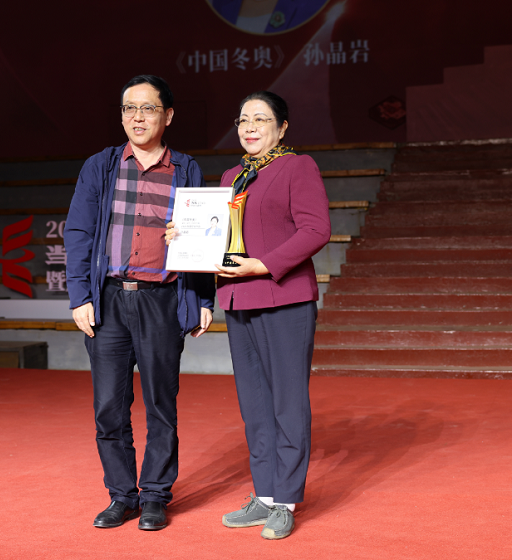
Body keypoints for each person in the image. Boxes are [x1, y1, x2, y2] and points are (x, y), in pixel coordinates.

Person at [169, 91, 330, 539]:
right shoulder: (232, 176)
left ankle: (287, 500)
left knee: (287, 402)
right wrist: (182, 236)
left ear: (282, 126)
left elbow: (316, 229)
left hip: (284, 297)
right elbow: (218, 237)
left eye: (260, 118)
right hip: (239, 298)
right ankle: (265, 493)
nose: (250, 127)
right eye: (243, 119)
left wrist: (263, 264)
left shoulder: (298, 166)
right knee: (254, 404)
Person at [64, 75, 215, 532]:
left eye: (148, 108)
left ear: (168, 115)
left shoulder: (186, 169)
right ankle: (121, 495)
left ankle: (154, 496)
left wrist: (203, 297)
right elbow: (79, 232)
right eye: (129, 108)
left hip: (161, 300)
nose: (137, 117)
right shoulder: (102, 165)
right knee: (109, 407)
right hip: (109, 300)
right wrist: (80, 296)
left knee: (161, 406)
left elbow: (204, 237)